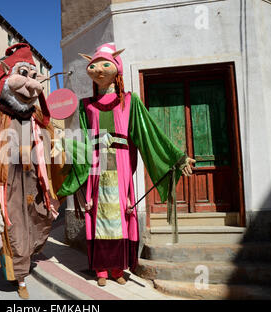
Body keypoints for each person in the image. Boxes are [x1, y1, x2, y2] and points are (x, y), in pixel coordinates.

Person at [58, 43, 195, 286]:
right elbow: (81, 140)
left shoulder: (130, 101)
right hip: (97, 166)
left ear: (117, 69)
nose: (98, 69)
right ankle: (100, 269)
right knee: (97, 213)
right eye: (94, 64)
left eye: (105, 63)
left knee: (120, 214)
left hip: (119, 165)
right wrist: (66, 146)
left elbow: (150, 133)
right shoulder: (85, 105)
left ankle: (117, 269)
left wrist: (177, 157)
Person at [0, 43, 65, 299]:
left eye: (34, 78)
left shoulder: (36, 117)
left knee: (38, 218)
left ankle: (21, 258)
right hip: (7, 181)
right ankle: (20, 277)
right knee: (14, 228)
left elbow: (49, 141)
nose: (32, 85)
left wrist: (59, 148)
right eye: (23, 75)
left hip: (34, 180)